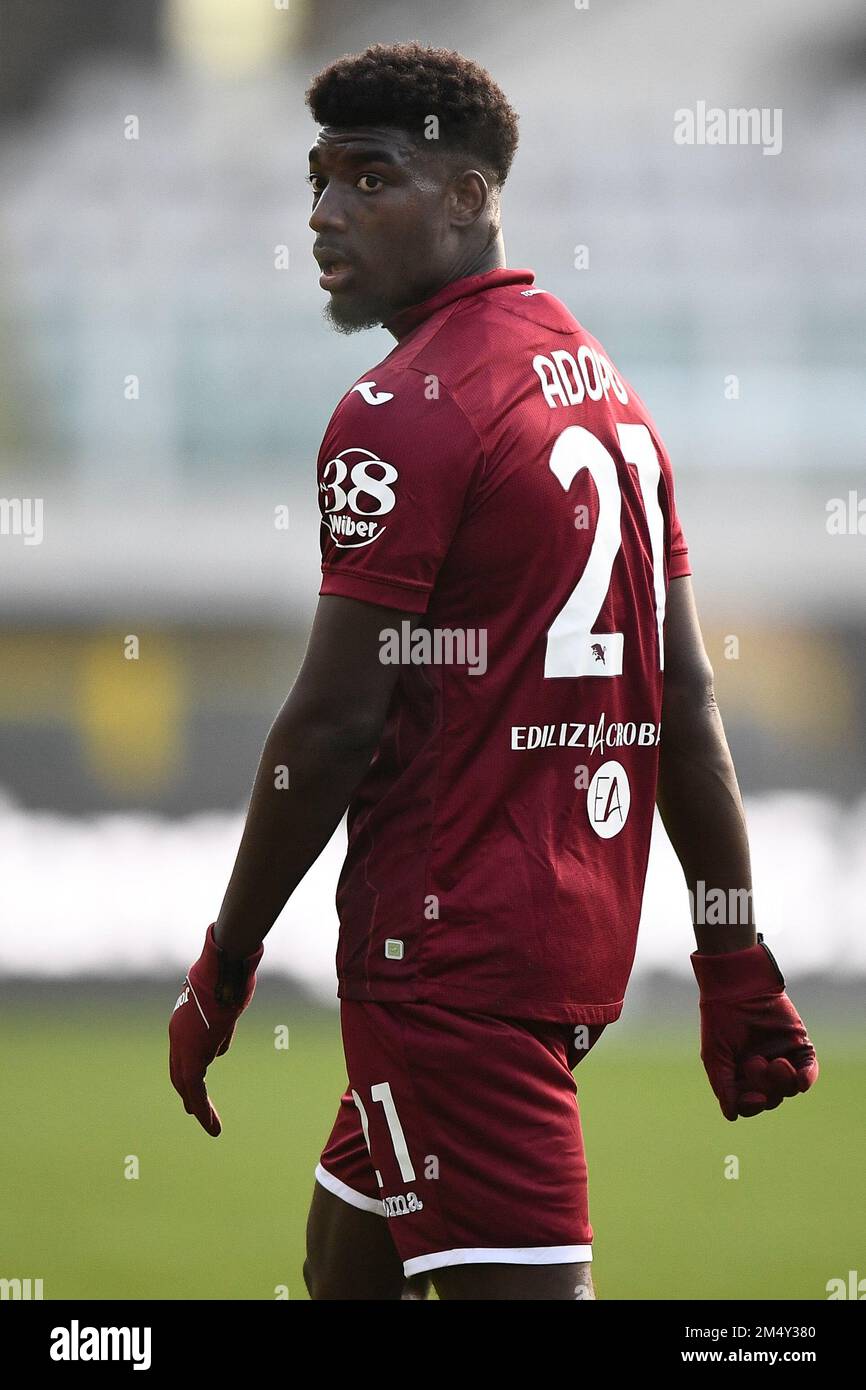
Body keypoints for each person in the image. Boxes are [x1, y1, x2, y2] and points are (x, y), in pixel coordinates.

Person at [169, 41, 818, 1302]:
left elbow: (334, 718)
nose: (322, 213)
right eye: (316, 180)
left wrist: (225, 964)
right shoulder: (607, 393)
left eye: (369, 177)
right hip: (562, 942)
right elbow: (682, 696)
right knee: (343, 1272)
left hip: (446, 963)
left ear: (469, 197)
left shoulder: (401, 411)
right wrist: (728, 950)